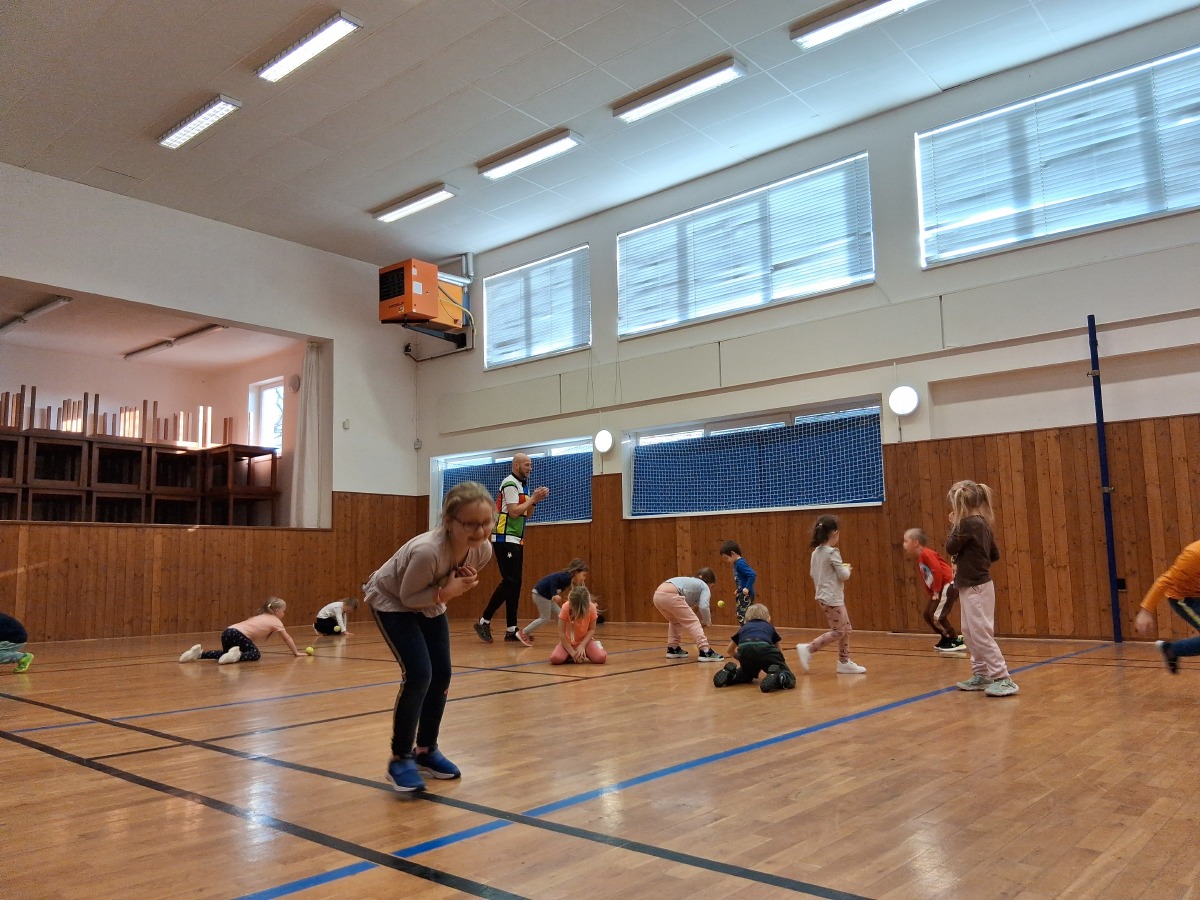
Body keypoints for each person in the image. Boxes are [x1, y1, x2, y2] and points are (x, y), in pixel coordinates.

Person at [366, 481, 494, 793]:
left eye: (486, 522)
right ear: (449, 521)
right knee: (420, 674)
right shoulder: (427, 552)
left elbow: (443, 585)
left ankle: (426, 751)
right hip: (394, 601)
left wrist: (456, 583)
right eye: (470, 524)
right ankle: (400, 758)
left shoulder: (483, 550)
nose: (480, 531)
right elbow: (409, 598)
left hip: (429, 599)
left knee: (442, 674)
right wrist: (448, 591)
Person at [946, 480, 1017, 696]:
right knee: (970, 632)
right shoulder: (982, 523)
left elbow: (950, 546)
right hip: (974, 585)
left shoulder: (967, 524)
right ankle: (982, 673)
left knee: (980, 633)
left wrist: (954, 525)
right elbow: (994, 554)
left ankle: (1003, 678)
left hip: (976, 586)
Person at [474, 453, 549, 646]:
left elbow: (527, 513)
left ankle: (511, 629)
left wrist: (534, 500)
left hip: (516, 538)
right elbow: (514, 512)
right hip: (504, 537)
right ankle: (483, 621)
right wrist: (532, 498)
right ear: (516, 466)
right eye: (527, 465)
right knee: (510, 580)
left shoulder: (523, 485)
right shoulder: (509, 483)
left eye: (530, 465)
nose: (530, 468)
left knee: (516, 583)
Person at [797, 515, 867, 675]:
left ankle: (844, 662)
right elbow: (843, 575)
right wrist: (846, 569)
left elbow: (813, 573)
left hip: (825, 596)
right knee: (839, 631)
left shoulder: (816, 552)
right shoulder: (832, 552)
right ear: (835, 533)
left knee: (846, 629)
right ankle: (808, 648)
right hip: (832, 598)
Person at [1134, 539, 1200, 673]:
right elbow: (1165, 580)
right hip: (1184, 598)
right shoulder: (1194, 554)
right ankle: (1172, 650)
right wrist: (1146, 610)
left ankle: (1172, 650)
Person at [179, 597, 304, 664]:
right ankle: (237, 656)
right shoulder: (276, 621)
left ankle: (199, 654)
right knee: (255, 654)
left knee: (226, 654)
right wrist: (296, 653)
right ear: (277, 611)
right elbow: (287, 638)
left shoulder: (260, 616)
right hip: (238, 634)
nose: (284, 614)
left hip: (228, 632)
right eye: (283, 611)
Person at [902, 527, 964, 651]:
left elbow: (937, 570)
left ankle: (954, 639)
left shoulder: (927, 554)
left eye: (906, 541)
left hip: (948, 585)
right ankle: (945, 636)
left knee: (937, 616)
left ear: (915, 542)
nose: (904, 544)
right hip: (940, 588)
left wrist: (936, 590)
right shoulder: (920, 558)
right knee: (927, 615)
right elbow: (927, 578)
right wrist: (932, 592)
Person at [713, 603, 796, 692]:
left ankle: (731, 675)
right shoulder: (769, 627)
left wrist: (741, 657)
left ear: (746, 619)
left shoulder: (743, 628)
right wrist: (780, 664)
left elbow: (729, 651)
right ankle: (779, 677)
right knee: (789, 676)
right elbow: (779, 651)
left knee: (746, 674)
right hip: (765, 650)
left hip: (745, 651)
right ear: (768, 618)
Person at [652, 567, 724, 662]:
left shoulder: (690, 582)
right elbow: (704, 606)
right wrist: (707, 621)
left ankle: (673, 648)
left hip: (657, 596)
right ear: (710, 583)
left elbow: (687, 604)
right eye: (712, 586)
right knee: (694, 622)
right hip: (672, 595)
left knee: (675, 621)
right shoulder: (704, 586)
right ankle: (705, 650)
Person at [519, 558, 588, 645]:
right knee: (545, 618)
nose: (584, 578)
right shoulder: (566, 577)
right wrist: (554, 594)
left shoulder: (568, 579)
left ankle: (565, 636)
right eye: (583, 575)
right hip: (541, 595)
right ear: (576, 572)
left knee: (560, 615)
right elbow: (553, 579)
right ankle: (524, 632)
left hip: (545, 596)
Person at [549, 585, 607, 665]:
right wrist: (572, 653)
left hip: (585, 642)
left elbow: (592, 629)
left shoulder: (591, 608)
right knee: (556, 659)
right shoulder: (566, 607)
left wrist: (582, 645)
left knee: (600, 658)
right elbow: (561, 632)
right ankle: (572, 654)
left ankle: (595, 646)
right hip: (568, 642)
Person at [719, 540, 757, 625]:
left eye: (726, 558)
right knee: (740, 614)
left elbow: (752, 574)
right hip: (742, 593)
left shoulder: (740, 564)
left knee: (743, 615)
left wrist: (747, 588)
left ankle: (747, 630)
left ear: (732, 554)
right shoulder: (737, 564)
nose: (727, 560)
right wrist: (739, 589)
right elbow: (742, 579)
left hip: (746, 595)